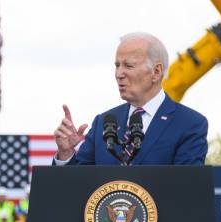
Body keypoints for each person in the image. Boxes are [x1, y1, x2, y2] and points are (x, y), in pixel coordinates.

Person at [53, 32, 208, 166]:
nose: (118, 74)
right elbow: (79, 183)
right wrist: (66, 154)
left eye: (128, 66)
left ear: (156, 71)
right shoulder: (104, 122)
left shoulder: (189, 123)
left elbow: (187, 188)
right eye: (117, 65)